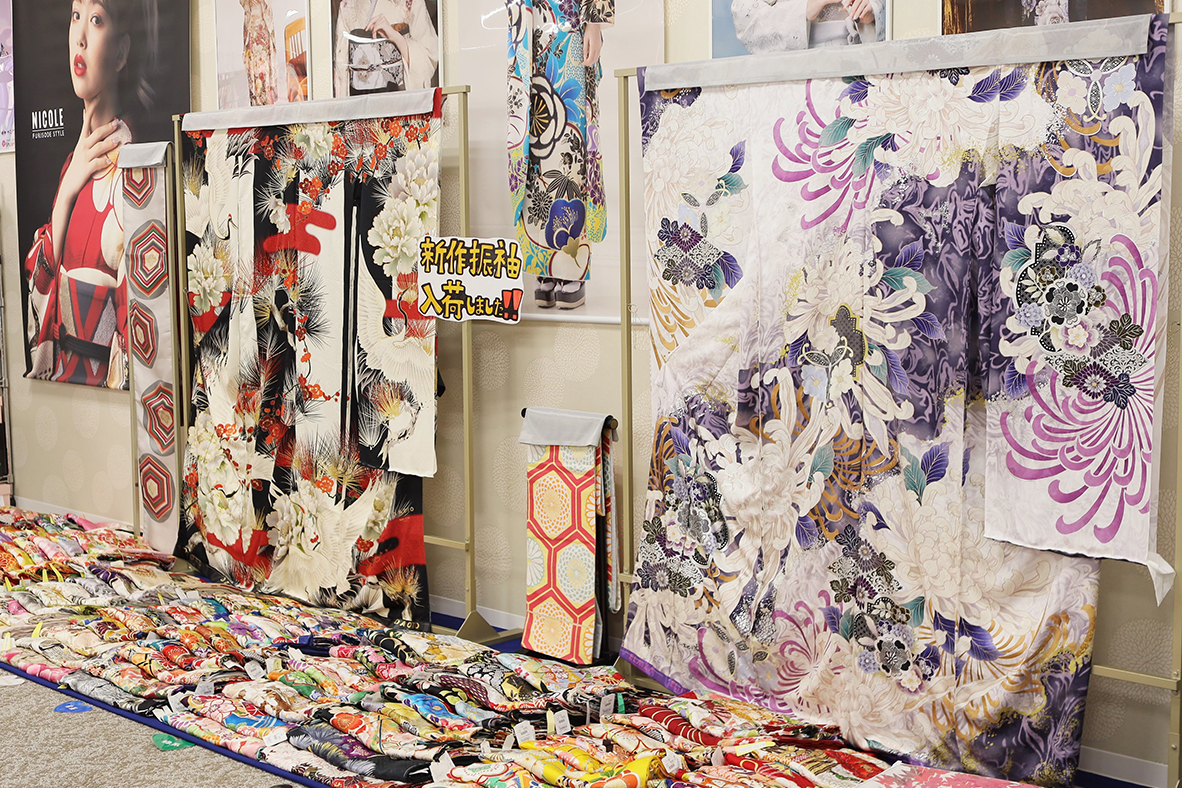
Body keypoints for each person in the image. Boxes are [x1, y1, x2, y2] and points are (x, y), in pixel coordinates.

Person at [24, 0, 158, 388]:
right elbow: (37, 294)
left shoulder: (135, 172)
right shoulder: (73, 166)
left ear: (121, 53)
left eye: (96, 19)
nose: (79, 37)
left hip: (108, 395)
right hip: (60, 390)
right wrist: (67, 191)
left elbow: (141, 334)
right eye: (75, 16)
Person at [506, 0, 611, 310]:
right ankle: (543, 263)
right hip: (527, 26)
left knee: (570, 142)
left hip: (568, 21)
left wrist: (594, 22)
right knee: (534, 147)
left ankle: (571, 265)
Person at [333, 0, 439, 97]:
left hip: (398, 99)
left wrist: (396, 37)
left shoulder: (410, 3)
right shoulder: (347, 6)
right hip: (359, 102)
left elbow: (429, 57)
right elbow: (341, 68)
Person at [731, 0, 884, 53]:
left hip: (860, 58)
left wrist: (873, 8)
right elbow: (746, 22)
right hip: (797, 68)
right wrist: (807, 7)